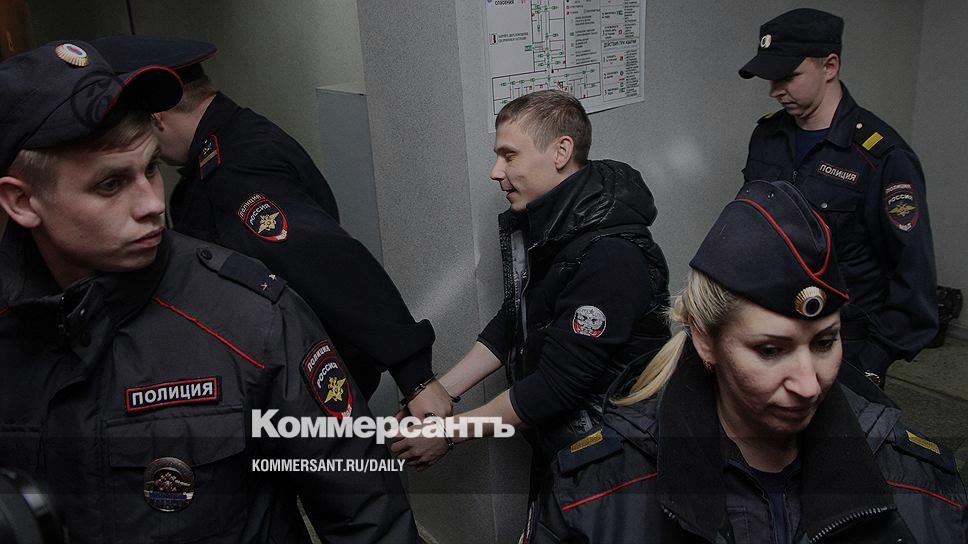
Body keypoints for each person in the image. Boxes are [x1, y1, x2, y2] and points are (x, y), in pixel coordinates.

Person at [0, 41, 417, 543]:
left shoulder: (251, 319)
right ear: (22, 202)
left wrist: (413, 370)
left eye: (150, 168)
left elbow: (367, 511)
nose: (152, 204)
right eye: (110, 184)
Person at [531, 180, 967, 543]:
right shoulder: (595, 494)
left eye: (824, 342)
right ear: (705, 340)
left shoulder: (921, 483)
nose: (808, 385)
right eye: (771, 350)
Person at [90, 35, 452, 416]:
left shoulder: (234, 171)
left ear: (157, 118)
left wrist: (414, 375)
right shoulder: (241, 133)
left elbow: (323, 256)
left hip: (297, 384)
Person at [391, 91, 670, 495]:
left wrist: (450, 433)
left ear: (561, 152)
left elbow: (557, 386)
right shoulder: (558, 224)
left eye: (509, 155)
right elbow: (518, 316)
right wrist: (438, 393)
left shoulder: (611, 256)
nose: (495, 171)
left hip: (612, 458)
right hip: (569, 448)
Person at [739, 8, 938, 385]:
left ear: (829, 66)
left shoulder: (880, 156)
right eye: (771, 78)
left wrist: (875, 358)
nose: (775, 90)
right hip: (771, 325)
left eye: (788, 77)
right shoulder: (766, 137)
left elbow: (913, 270)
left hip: (844, 341)